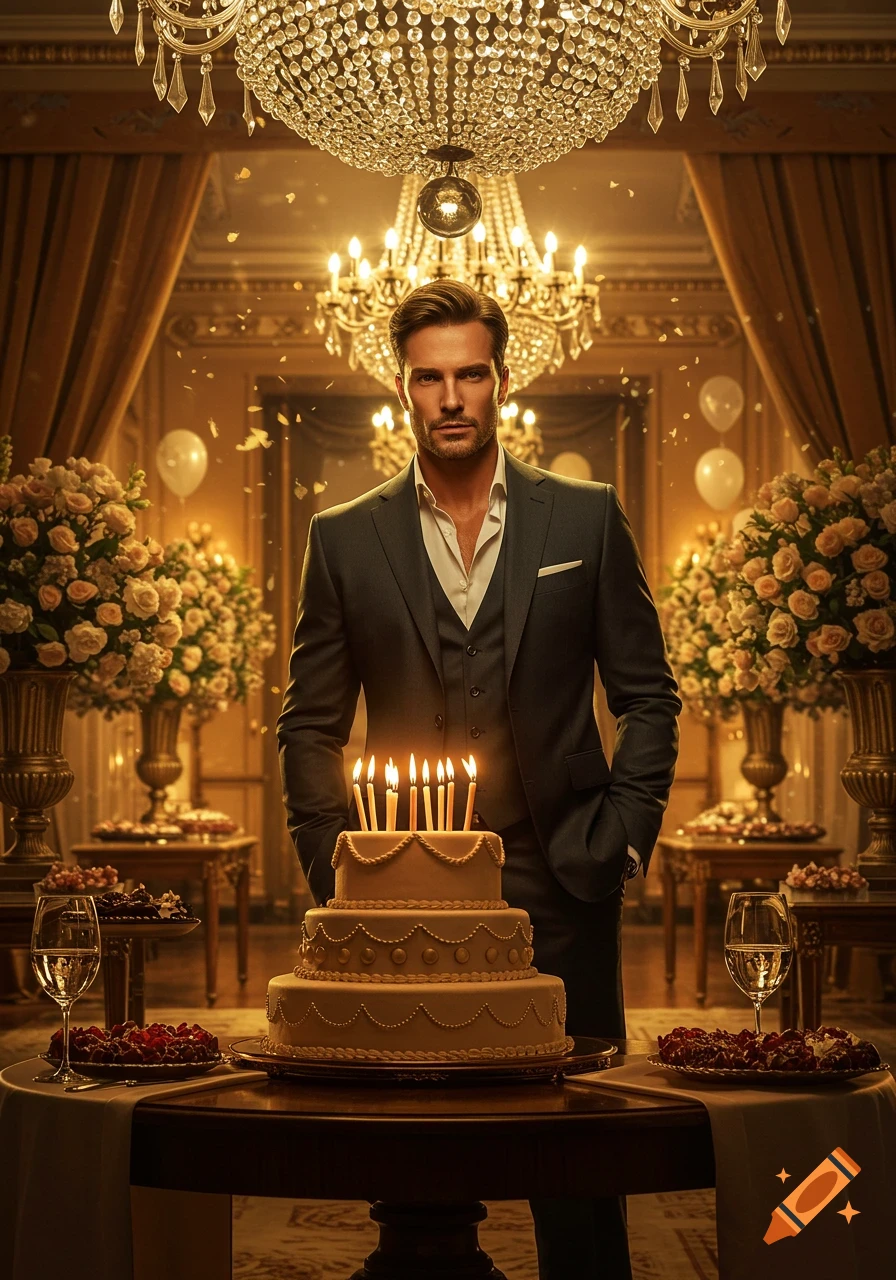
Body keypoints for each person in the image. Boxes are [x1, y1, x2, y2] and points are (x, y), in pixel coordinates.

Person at [277, 279, 681, 1278]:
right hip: (402, 891)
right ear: (402, 390)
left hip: (564, 873)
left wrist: (621, 834)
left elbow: (648, 696)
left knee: (579, 1168)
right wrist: (337, 865)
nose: (449, 396)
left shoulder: (583, 520)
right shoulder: (342, 535)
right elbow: (307, 722)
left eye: (468, 374)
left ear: (500, 380)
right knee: (412, 1146)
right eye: (428, 378)